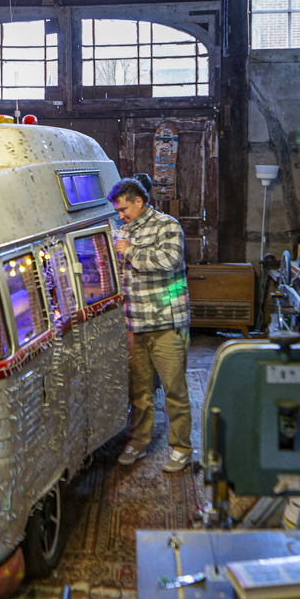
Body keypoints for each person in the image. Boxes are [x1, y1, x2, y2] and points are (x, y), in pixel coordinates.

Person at [108, 177, 193, 473]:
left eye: (123, 209)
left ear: (139, 201)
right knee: (139, 392)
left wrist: (130, 251)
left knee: (174, 390)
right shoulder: (121, 231)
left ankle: (181, 448)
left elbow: (170, 260)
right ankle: (138, 441)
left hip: (166, 322)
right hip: (135, 324)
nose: (121, 215)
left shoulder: (166, 225)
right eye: (117, 211)